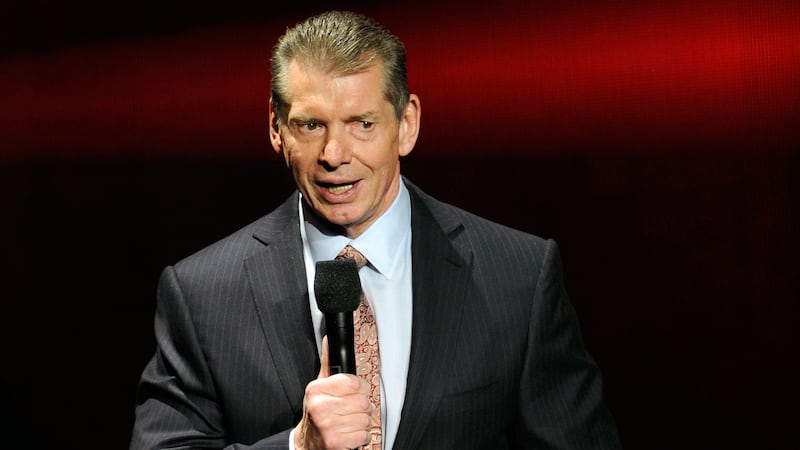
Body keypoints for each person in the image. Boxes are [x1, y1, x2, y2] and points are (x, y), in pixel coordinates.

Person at [131, 10, 621, 450]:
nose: (334, 155)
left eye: (361, 123)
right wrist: (298, 447)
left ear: (406, 124)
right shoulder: (202, 294)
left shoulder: (517, 277)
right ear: (276, 129)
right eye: (310, 125)